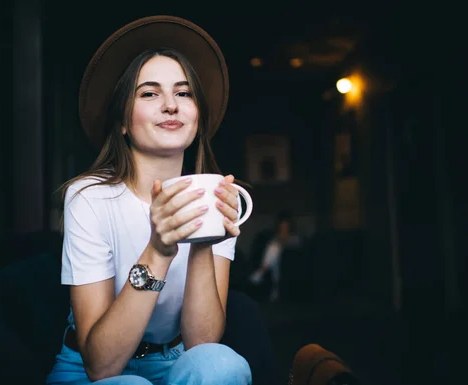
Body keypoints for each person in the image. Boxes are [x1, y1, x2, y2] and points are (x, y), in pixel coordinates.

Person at [46, 16, 252, 385]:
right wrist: (159, 249)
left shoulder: (219, 198)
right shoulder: (89, 198)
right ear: (122, 121)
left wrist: (204, 238)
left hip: (173, 361)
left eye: (184, 93)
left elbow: (201, 345)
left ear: (198, 118)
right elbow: (101, 366)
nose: (171, 105)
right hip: (88, 367)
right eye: (149, 93)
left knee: (224, 365)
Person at [249, 210, 301, 302]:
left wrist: (282, 243)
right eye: (282, 226)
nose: (284, 228)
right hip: (277, 262)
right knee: (273, 250)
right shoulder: (275, 237)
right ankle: (274, 288)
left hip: (289, 262)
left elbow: (295, 245)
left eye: (286, 226)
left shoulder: (294, 237)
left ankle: (261, 272)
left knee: (274, 249)